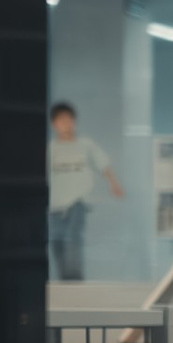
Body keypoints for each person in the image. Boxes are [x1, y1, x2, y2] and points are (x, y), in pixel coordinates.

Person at [47, 100, 124, 282]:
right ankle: (65, 282)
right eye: (60, 120)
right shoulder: (51, 149)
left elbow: (103, 164)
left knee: (72, 241)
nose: (65, 124)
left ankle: (74, 282)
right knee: (57, 242)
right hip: (55, 205)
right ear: (54, 124)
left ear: (74, 121)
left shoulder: (85, 145)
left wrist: (114, 184)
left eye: (68, 119)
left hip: (77, 202)